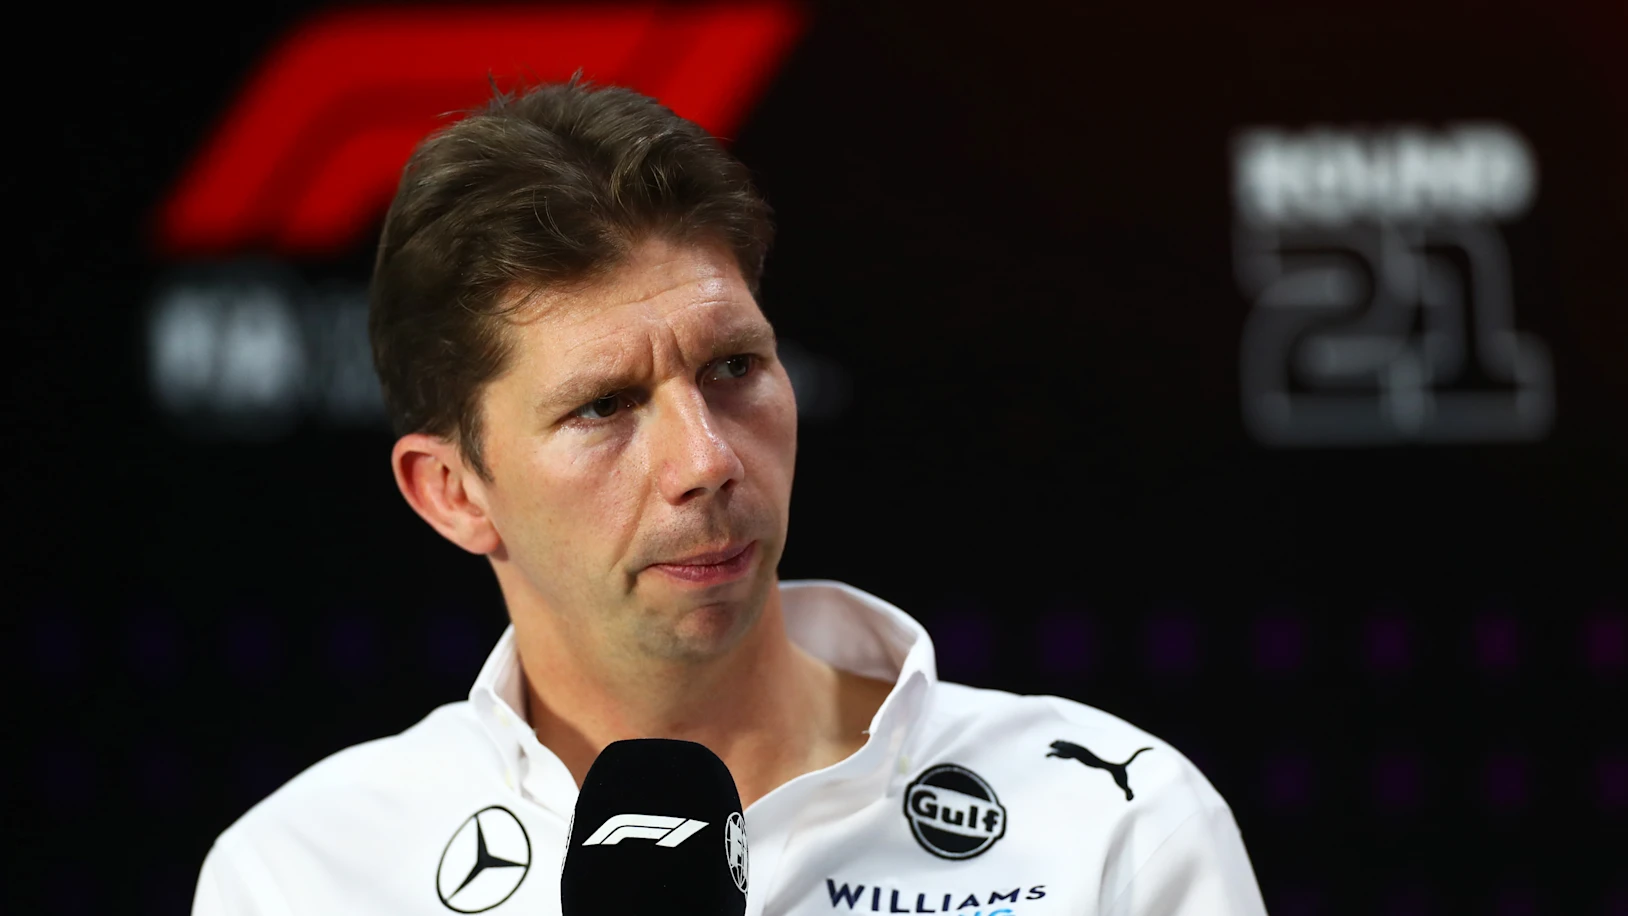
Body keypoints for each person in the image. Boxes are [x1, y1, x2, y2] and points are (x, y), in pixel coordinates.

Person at [190, 76, 1268, 916]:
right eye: (605, 405)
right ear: (452, 492)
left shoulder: (1109, 821)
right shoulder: (302, 875)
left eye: (733, 368)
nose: (705, 460)